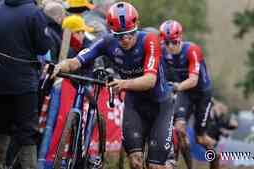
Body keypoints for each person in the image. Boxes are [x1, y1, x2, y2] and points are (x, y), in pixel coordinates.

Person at [52, 2, 174, 169]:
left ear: (136, 26)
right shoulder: (107, 41)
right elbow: (77, 61)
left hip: (160, 105)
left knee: (155, 166)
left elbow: (149, 81)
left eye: (130, 34)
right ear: (111, 32)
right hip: (135, 104)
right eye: (119, 35)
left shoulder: (150, 40)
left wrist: (123, 83)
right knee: (135, 162)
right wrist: (59, 66)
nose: (125, 39)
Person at [0, 0, 50, 168]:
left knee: (2, 123)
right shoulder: (34, 12)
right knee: (27, 130)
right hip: (23, 80)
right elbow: (43, 47)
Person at [159, 20, 216, 169]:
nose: (170, 46)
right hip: (185, 93)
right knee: (179, 128)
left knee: (200, 138)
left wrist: (176, 87)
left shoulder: (192, 50)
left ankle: (215, 158)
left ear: (180, 39)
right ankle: (186, 165)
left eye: (174, 42)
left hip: (202, 93)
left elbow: (193, 80)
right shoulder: (163, 52)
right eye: (166, 42)